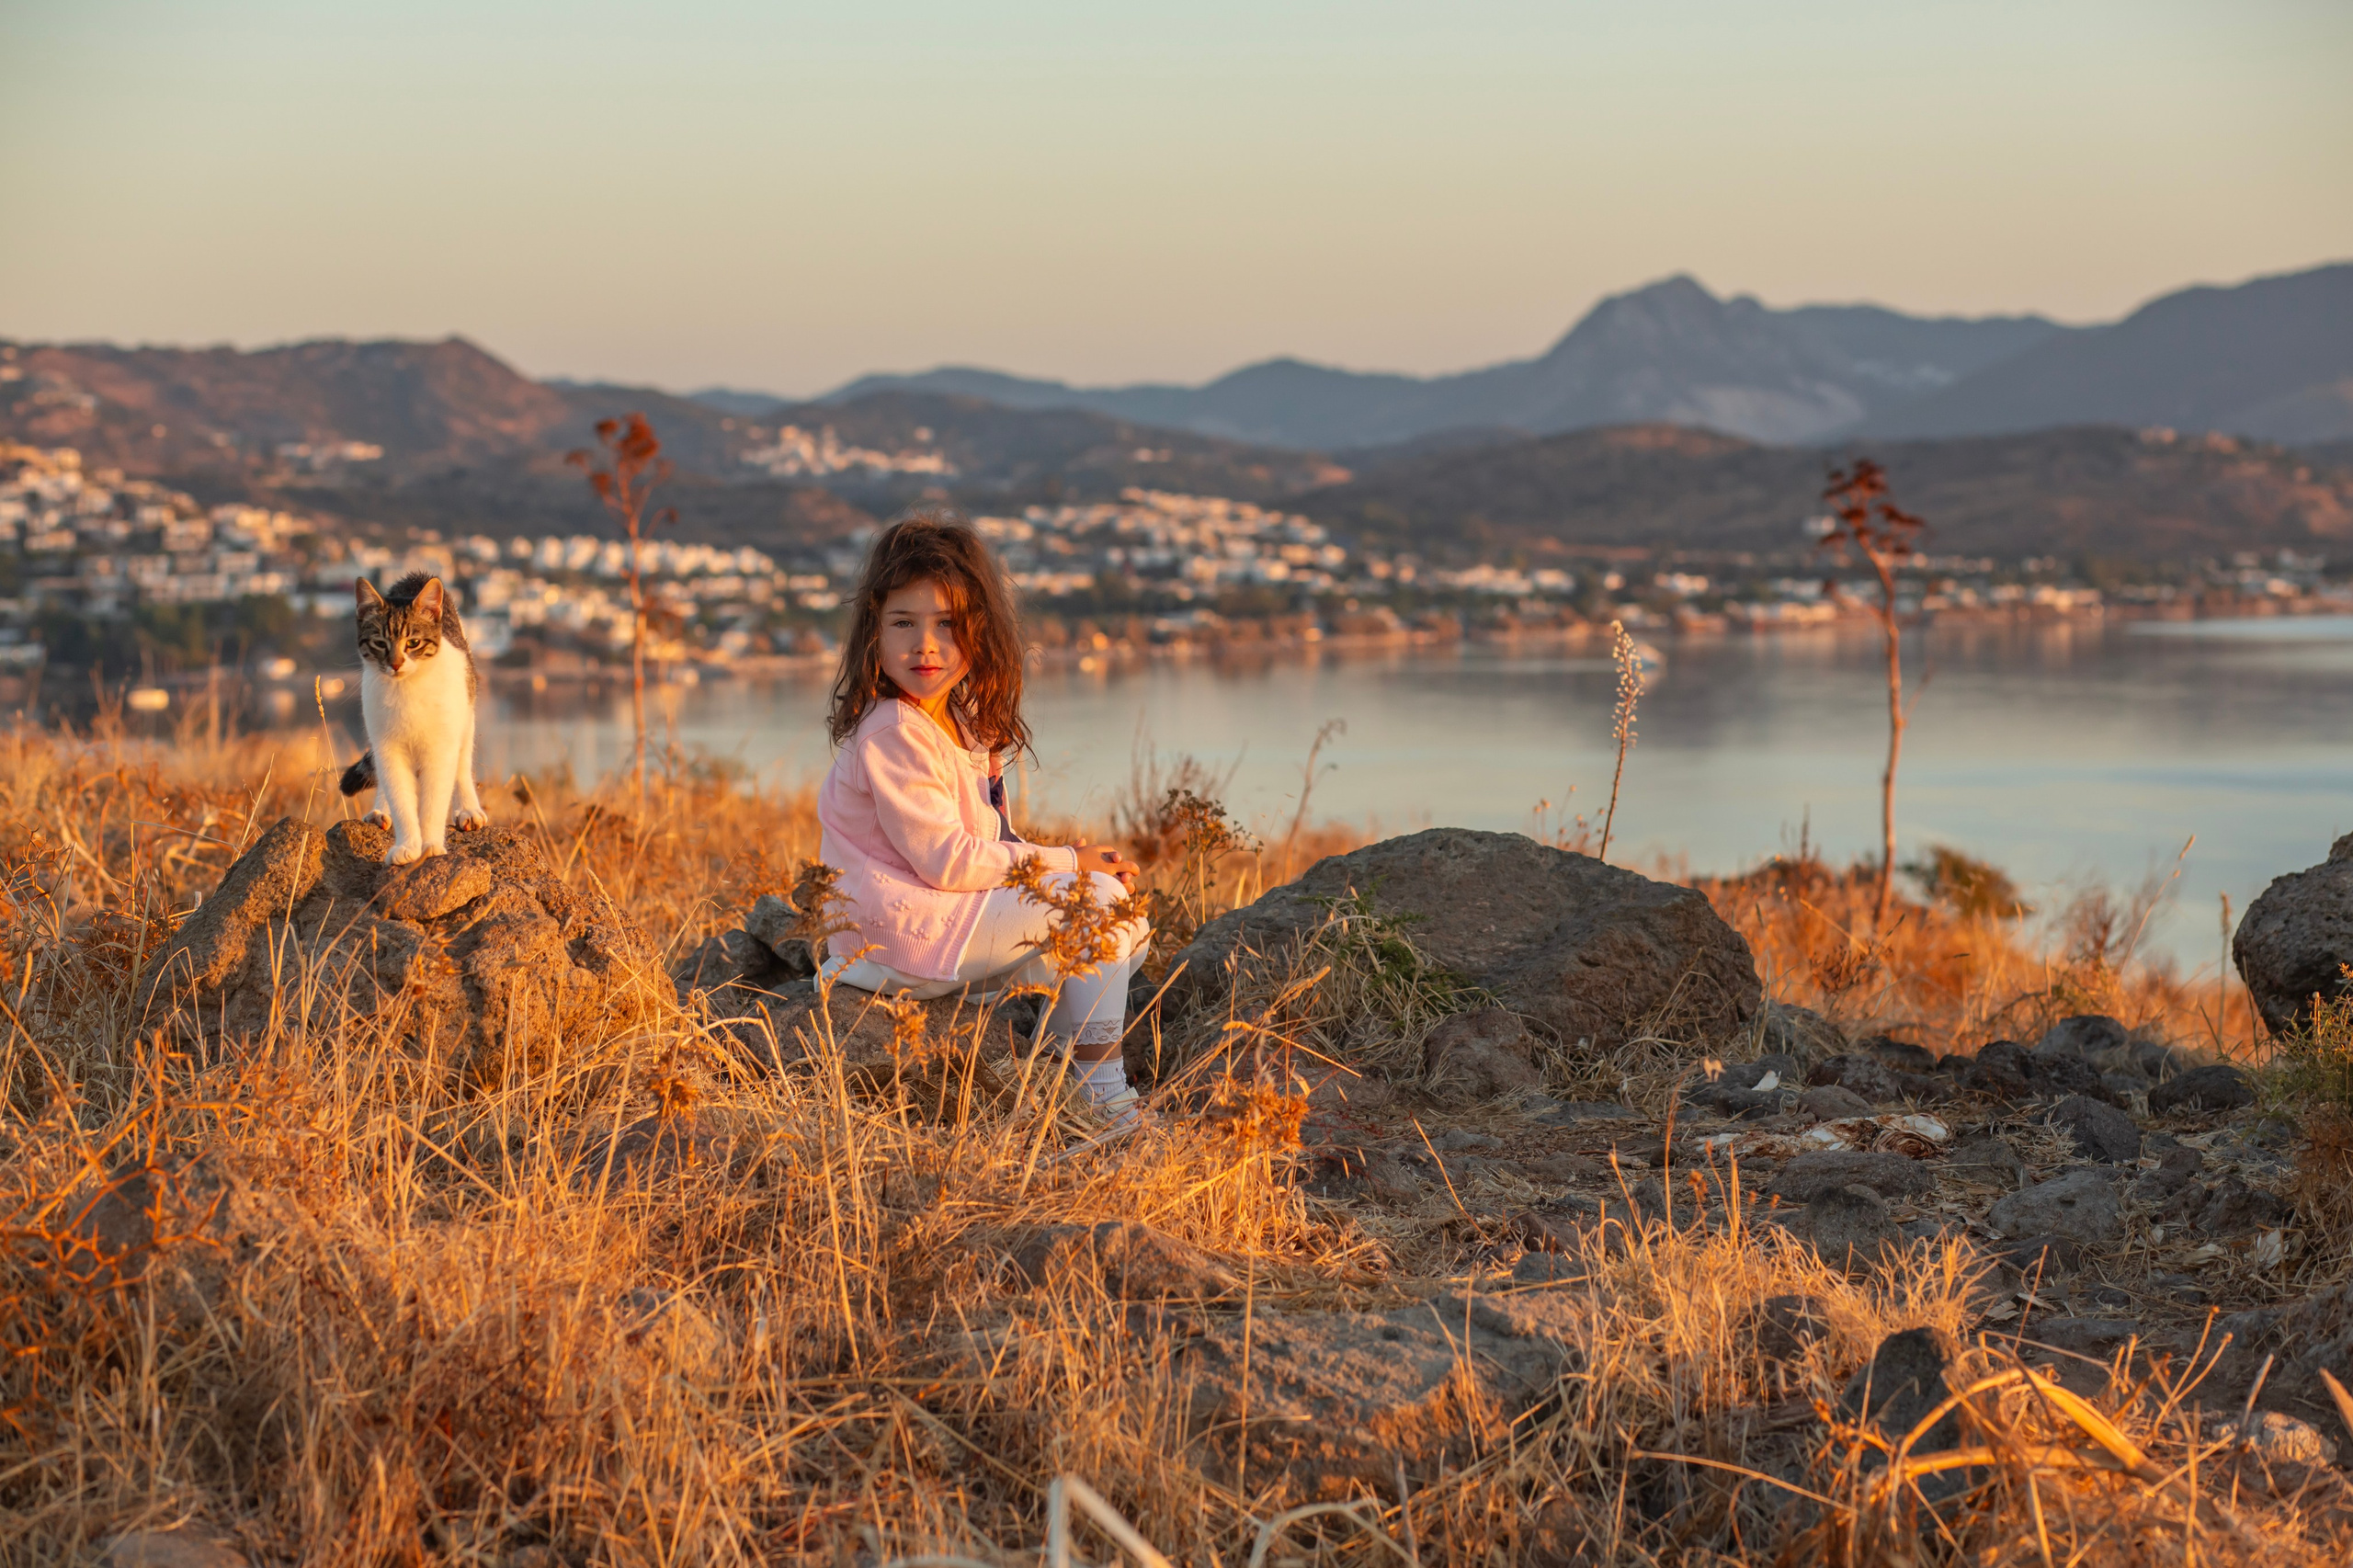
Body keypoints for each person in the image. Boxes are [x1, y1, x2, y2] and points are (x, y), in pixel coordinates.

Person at [815, 509, 1149, 1121]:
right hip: (895, 933)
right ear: (874, 632)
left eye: (947, 624)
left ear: (979, 631)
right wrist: (1068, 863)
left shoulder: (961, 725)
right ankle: (1105, 1099)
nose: (925, 644)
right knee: (1097, 905)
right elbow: (949, 862)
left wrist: (1063, 867)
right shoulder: (893, 733)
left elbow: (986, 840)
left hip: (940, 915)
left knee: (1121, 912)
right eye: (903, 623)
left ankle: (1063, 1064)